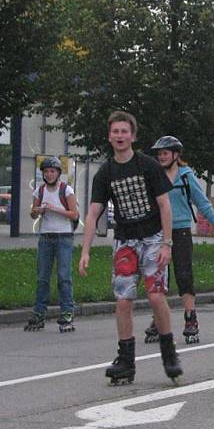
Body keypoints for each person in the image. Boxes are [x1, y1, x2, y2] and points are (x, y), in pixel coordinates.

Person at [79, 111, 183, 385]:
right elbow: (93, 213)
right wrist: (85, 251)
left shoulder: (148, 165)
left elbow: (164, 205)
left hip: (152, 238)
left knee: (156, 296)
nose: (120, 136)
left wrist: (167, 243)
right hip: (125, 242)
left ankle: (169, 353)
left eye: (125, 131)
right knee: (123, 301)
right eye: (115, 132)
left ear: (133, 136)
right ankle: (125, 360)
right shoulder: (106, 173)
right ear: (109, 136)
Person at [142, 135, 214, 345]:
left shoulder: (185, 175)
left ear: (176, 155)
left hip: (181, 231)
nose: (161, 157)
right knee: (158, 278)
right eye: (159, 154)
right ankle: (158, 320)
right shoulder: (155, 176)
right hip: (159, 233)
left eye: (165, 153)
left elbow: (202, 203)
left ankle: (190, 318)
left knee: (184, 276)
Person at [24, 157, 79, 333]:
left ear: (58, 173)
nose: (49, 174)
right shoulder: (39, 191)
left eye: (52, 171)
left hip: (64, 237)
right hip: (46, 237)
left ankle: (67, 312)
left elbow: (74, 214)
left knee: (64, 276)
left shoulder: (66, 190)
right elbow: (33, 214)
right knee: (42, 277)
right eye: (46, 172)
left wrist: (54, 209)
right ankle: (39, 312)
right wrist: (36, 211)